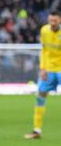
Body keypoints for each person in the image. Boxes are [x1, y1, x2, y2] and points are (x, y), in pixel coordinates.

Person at [25, 10, 61, 139]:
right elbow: (44, 50)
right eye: (50, 20)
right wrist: (43, 68)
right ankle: (37, 130)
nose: (52, 23)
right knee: (40, 96)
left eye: (55, 21)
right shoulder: (44, 30)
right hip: (49, 69)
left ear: (59, 20)